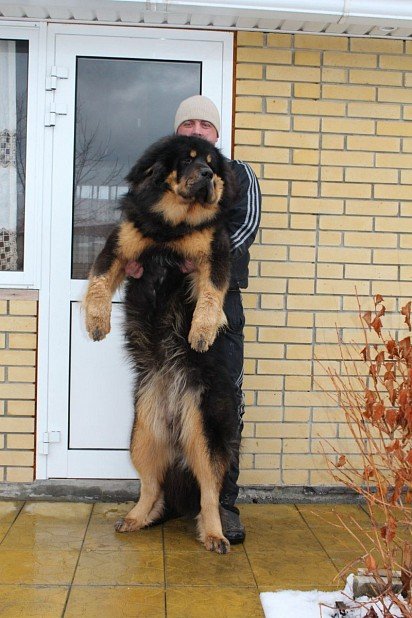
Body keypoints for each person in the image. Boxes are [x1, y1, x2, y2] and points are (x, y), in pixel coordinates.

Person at [126, 95, 261, 543]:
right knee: (158, 406)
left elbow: (242, 230)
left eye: (206, 124)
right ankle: (159, 496)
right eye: (190, 123)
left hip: (214, 306)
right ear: (178, 131)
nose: (198, 130)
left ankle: (220, 505)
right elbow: (141, 228)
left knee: (219, 406)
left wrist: (201, 257)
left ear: (217, 134)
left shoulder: (236, 175)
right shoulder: (165, 176)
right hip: (164, 307)